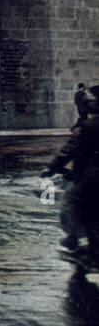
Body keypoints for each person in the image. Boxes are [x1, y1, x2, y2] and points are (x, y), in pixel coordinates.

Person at [46, 87, 99, 258]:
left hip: (89, 178)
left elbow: (68, 150)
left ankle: (74, 239)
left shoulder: (87, 126)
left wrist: (51, 168)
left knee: (69, 202)